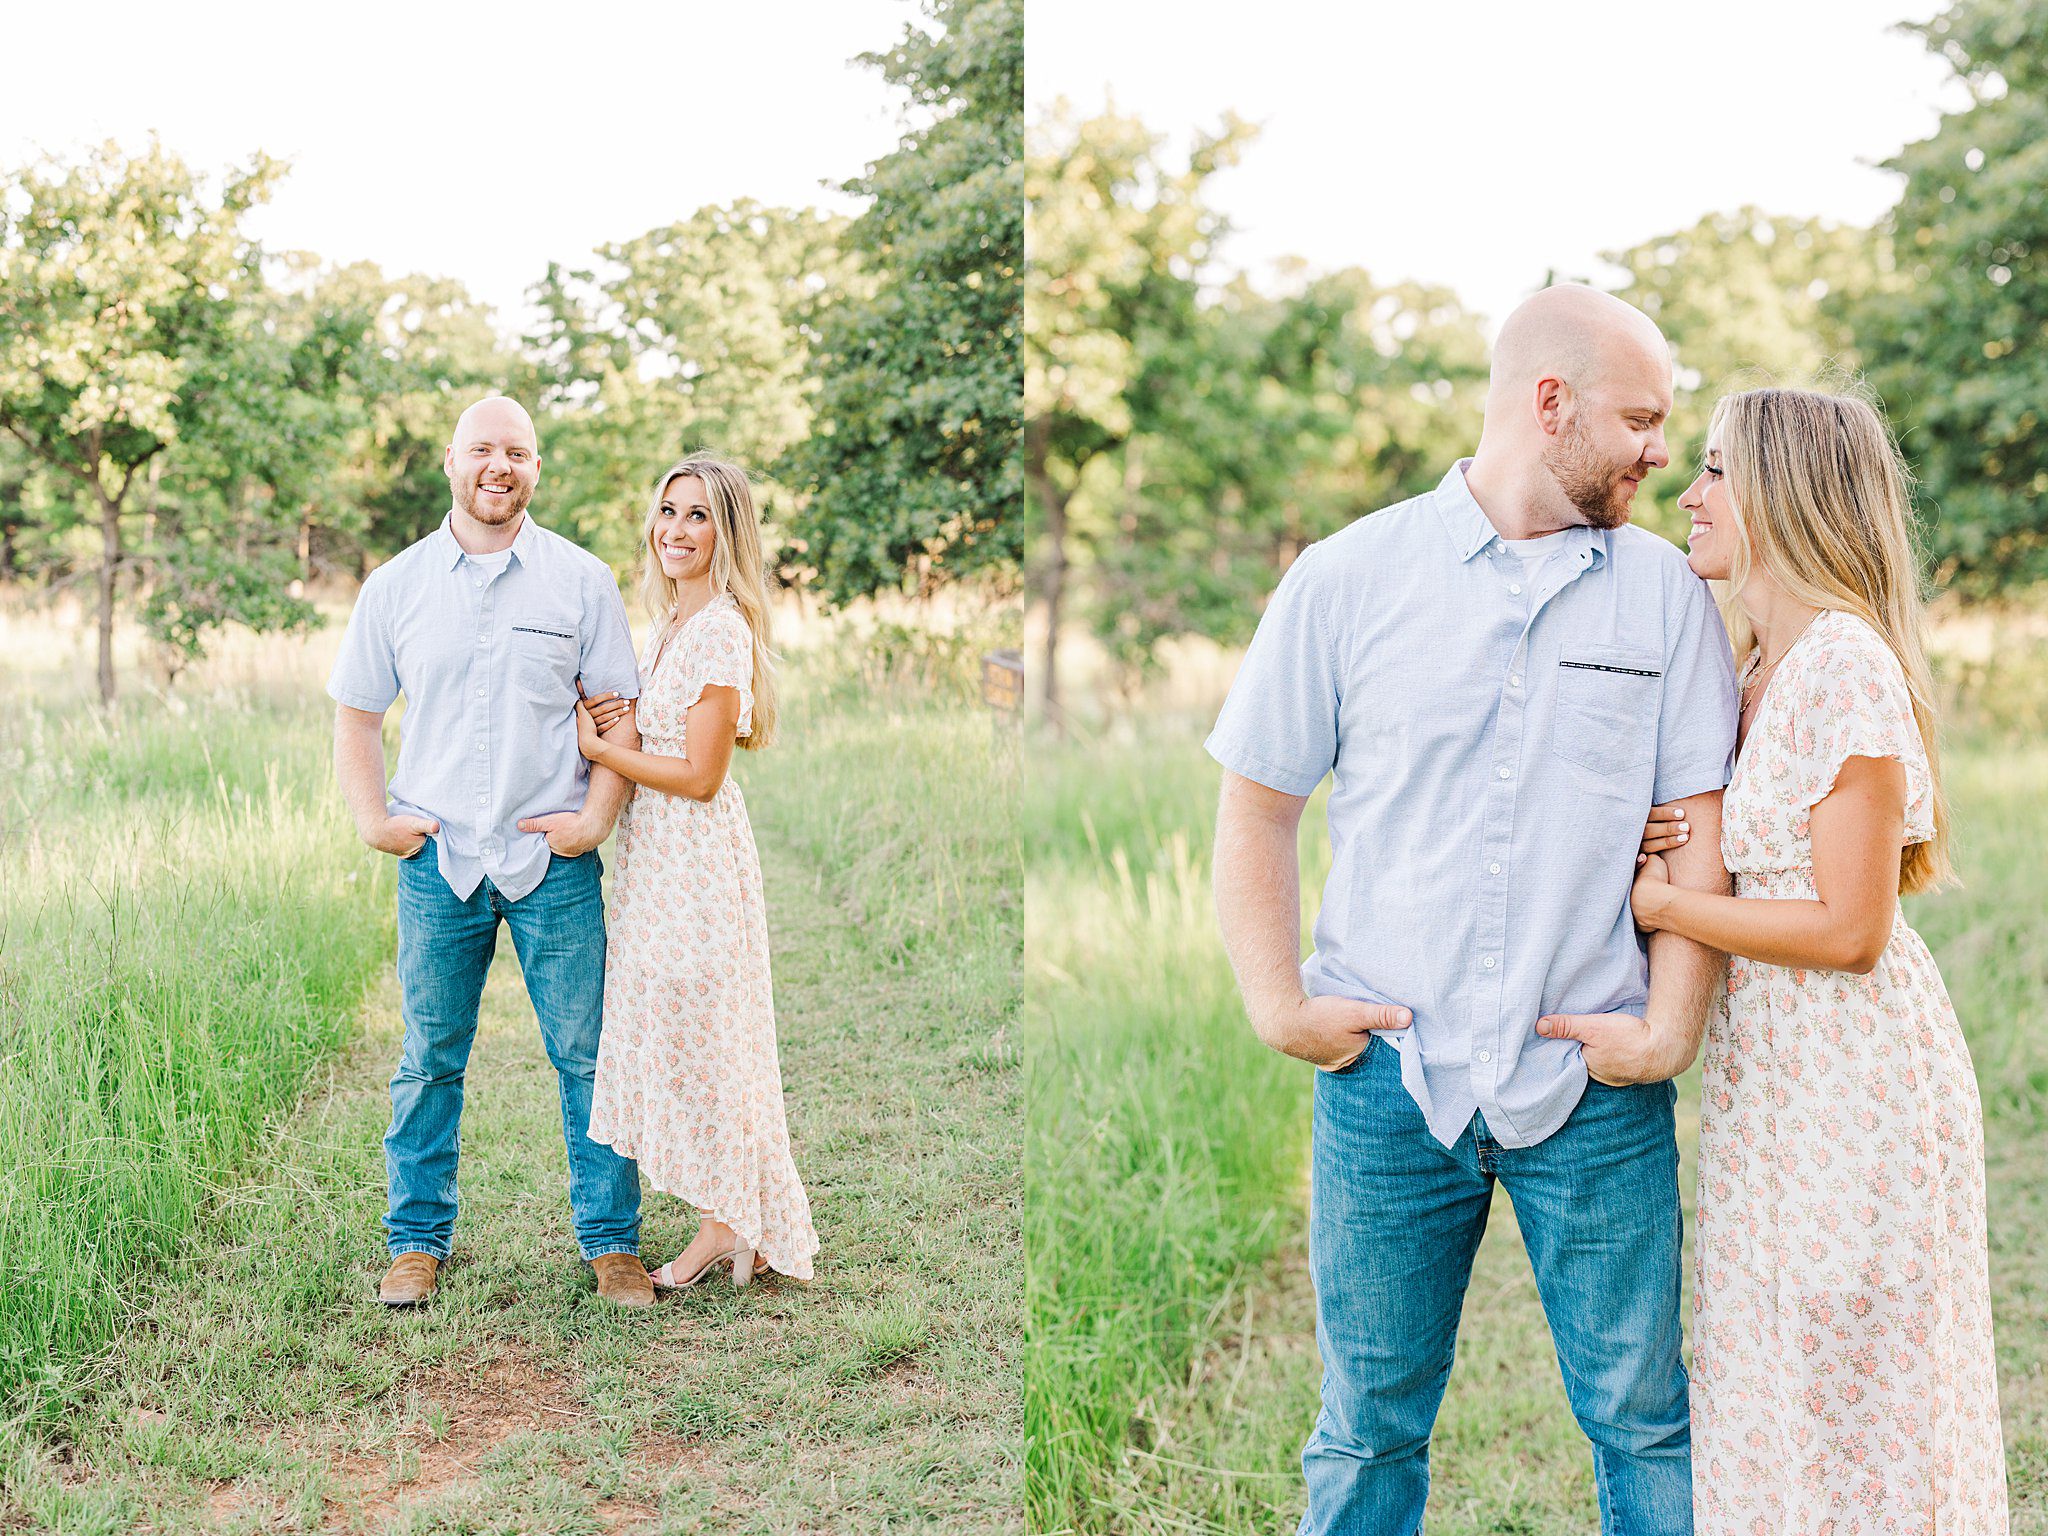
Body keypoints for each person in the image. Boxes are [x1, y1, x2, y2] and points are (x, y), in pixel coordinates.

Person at [1208, 285, 1735, 1535]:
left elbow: (1696, 824)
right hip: (1393, 1081)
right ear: (1548, 404)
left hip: (1592, 1083)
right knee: (1366, 1425)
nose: (1661, 452)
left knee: (1642, 1418)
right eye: (1641, 419)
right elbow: (1256, 805)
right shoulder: (1346, 578)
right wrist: (1276, 1003)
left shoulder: (1664, 596)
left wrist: (1666, 1032)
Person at [1614, 386, 2008, 1530]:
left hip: (1851, 1074)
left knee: (1852, 1365)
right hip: (1771, 1079)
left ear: (1784, 493)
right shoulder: (1748, 669)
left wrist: (1666, 908)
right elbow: (1747, 860)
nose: (1685, 496)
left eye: (1712, 471)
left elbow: (1849, 927)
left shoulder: (1841, 663)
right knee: (1770, 1355)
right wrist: (1661, 856)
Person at [328, 395, 657, 1311]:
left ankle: (613, 1243)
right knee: (430, 1054)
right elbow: (355, 717)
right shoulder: (395, 586)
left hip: (550, 858)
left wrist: (595, 820)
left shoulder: (581, 581)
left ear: (536, 469)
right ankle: (416, 1242)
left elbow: (617, 712)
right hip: (439, 861)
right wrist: (373, 819)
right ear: (451, 462)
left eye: (516, 452)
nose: (498, 467)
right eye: (482, 450)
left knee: (588, 1053)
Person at [574, 453, 819, 1289]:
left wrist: (604, 748)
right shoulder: (671, 622)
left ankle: (730, 1222)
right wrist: (618, 717)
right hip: (657, 860)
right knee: (686, 1031)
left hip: (698, 862)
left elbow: (703, 775)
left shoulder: (719, 628)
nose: (676, 531)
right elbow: (665, 737)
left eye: (698, 517)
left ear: (728, 532)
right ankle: (729, 1220)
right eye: (668, 512)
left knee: (710, 1036)